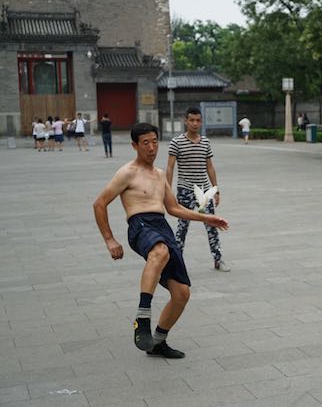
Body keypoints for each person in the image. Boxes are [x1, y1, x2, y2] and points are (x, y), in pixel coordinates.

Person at [93, 123, 229, 359]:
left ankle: (157, 342)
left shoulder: (159, 175)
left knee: (182, 293)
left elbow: (173, 208)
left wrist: (206, 218)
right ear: (135, 145)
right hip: (140, 225)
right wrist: (110, 239)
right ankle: (142, 317)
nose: (151, 147)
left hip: (162, 226)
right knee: (160, 251)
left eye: (155, 142)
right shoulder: (127, 172)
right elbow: (99, 204)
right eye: (145, 143)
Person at [167, 108, 229, 272]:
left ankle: (218, 259)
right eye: (192, 120)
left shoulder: (205, 142)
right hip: (185, 190)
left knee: (212, 225)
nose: (195, 123)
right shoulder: (176, 142)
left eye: (198, 120)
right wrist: (167, 191)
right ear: (185, 121)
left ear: (201, 122)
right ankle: (176, 263)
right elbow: (170, 167)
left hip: (204, 192)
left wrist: (216, 190)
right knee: (182, 227)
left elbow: (210, 167)